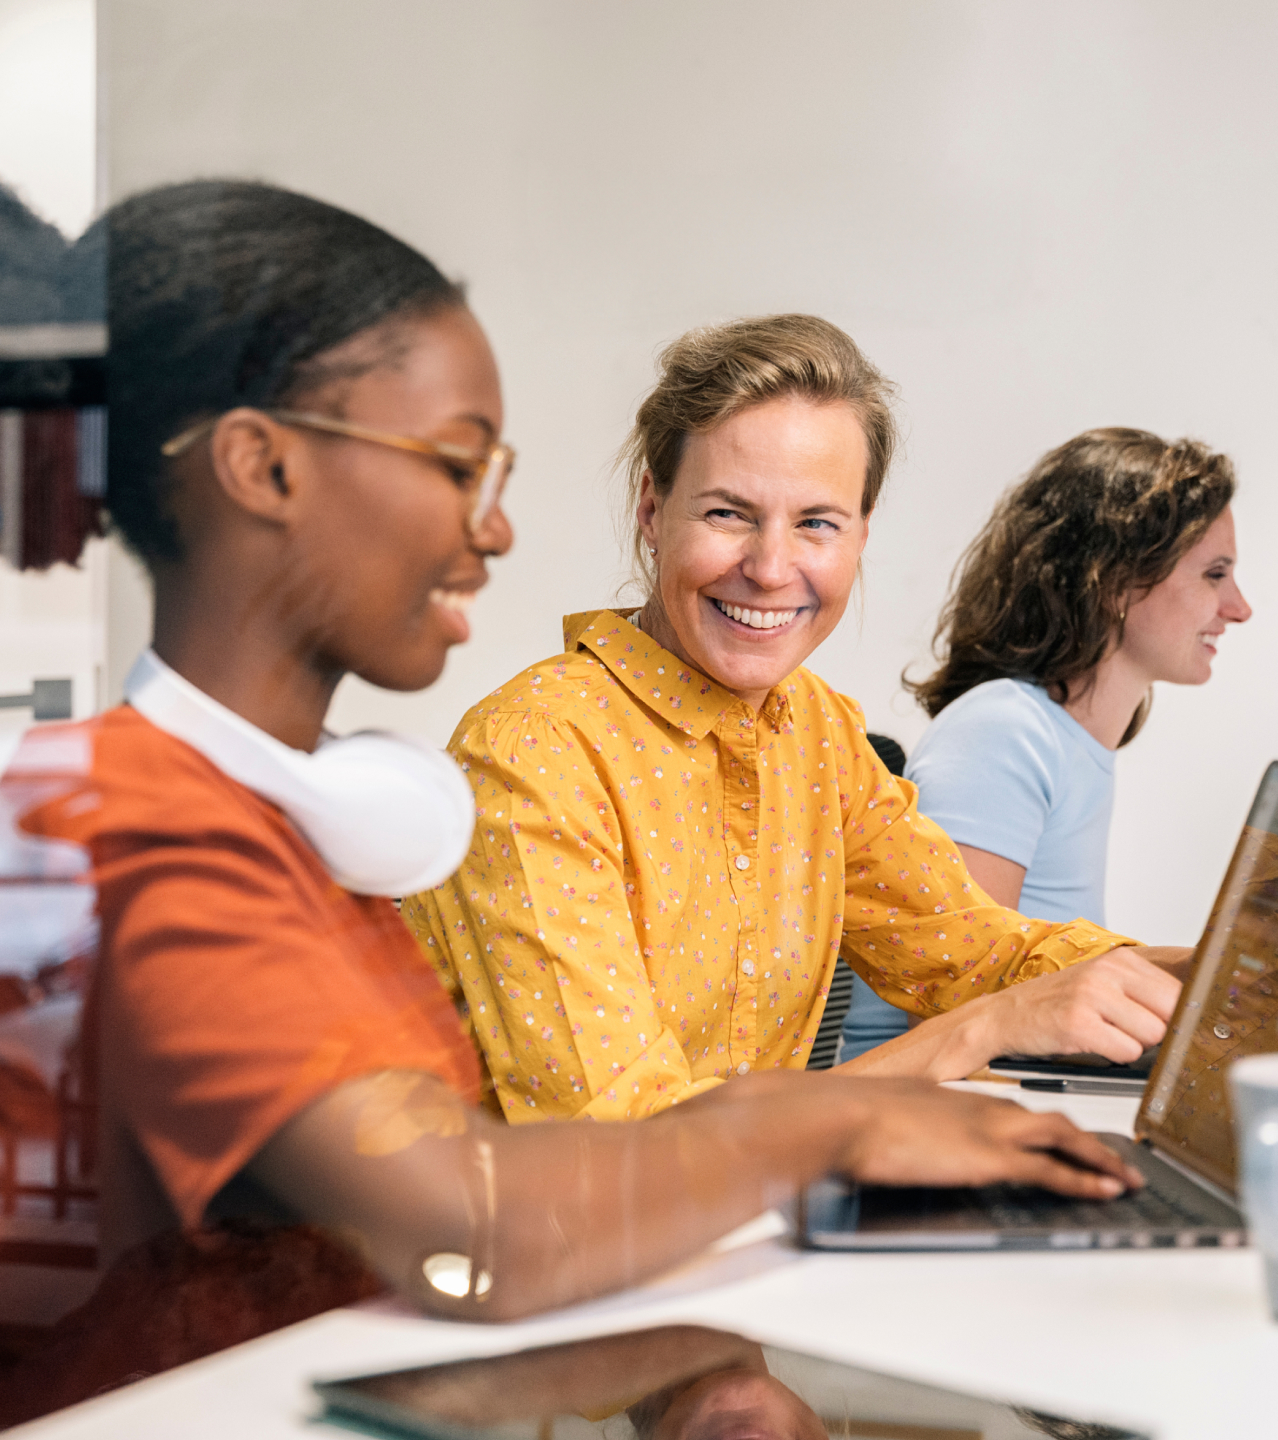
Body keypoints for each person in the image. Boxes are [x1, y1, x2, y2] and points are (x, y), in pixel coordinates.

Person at [0, 182, 1141, 1424]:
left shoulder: (282, 820)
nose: (494, 528)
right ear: (262, 469)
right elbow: (486, 1227)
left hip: (403, 1370)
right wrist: (850, 1117)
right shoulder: (145, 827)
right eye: (451, 465)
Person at [404, 317, 1188, 1125]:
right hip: (534, 1242)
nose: (773, 568)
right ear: (651, 509)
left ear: (860, 535)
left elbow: (973, 950)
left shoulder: (815, 730)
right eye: (727, 514)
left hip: (744, 1227)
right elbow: (619, 1147)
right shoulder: (534, 751)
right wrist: (978, 1033)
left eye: (817, 522)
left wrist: (1221, 973)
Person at [840, 428, 1251, 1060]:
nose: (1240, 607)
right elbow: (961, 1011)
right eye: (1214, 574)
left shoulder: (1069, 744)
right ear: (1116, 580)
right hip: (928, 1111)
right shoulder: (1004, 732)